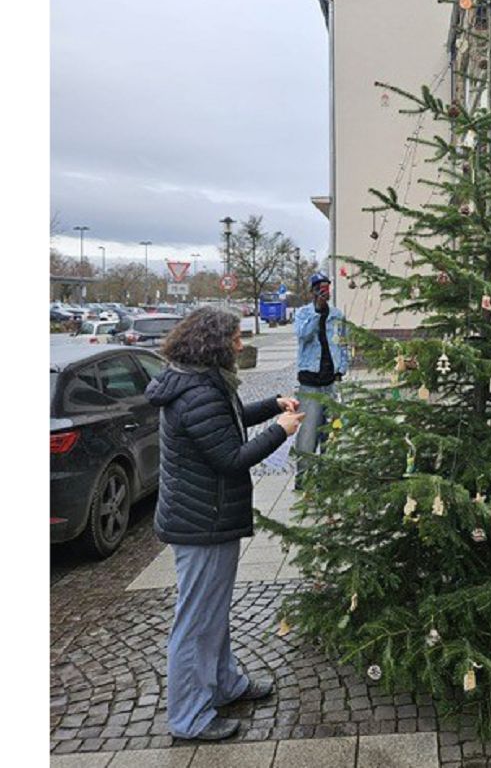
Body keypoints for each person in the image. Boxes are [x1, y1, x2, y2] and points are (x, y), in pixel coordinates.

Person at [144, 306, 304, 742]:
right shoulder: (197, 392)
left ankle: (225, 683)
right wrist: (280, 430)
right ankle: (189, 717)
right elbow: (231, 459)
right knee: (196, 621)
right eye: (234, 337)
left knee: (212, 614)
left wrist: (271, 406)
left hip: (210, 517)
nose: (240, 344)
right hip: (201, 523)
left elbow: (227, 420)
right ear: (214, 342)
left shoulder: (203, 381)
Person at [291, 272, 349, 488]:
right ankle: (303, 479)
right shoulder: (303, 313)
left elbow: (343, 344)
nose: (324, 291)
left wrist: (342, 369)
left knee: (331, 432)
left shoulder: (337, 315)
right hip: (310, 383)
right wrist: (316, 311)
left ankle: (327, 479)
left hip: (331, 382)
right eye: (320, 288)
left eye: (327, 287)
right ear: (313, 291)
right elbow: (303, 335)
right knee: (307, 434)